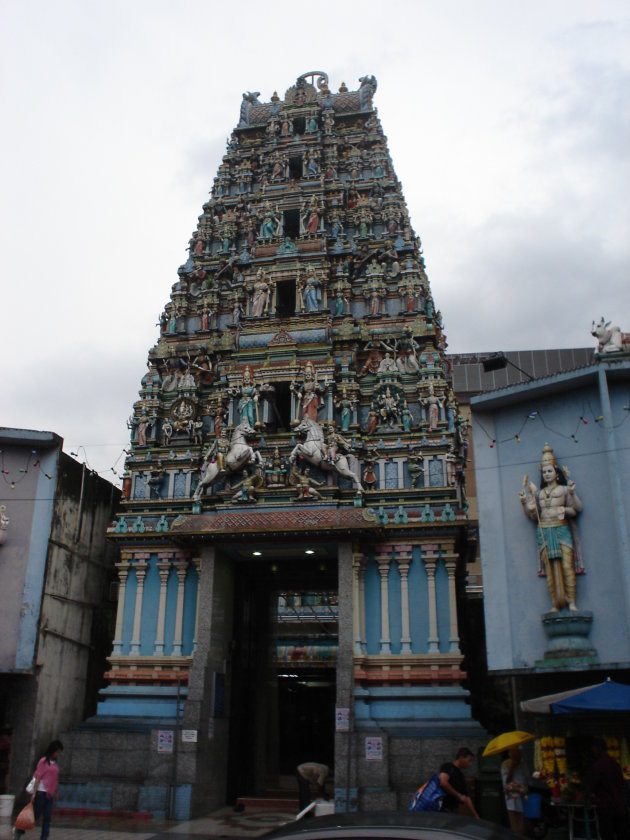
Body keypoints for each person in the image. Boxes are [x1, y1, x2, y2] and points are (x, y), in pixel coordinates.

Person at [520, 443, 583, 611]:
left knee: (567, 566)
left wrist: (570, 496)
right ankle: (556, 603)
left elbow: (577, 509)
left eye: (550, 471)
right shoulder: (539, 493)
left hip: (561, 529)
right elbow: (535, 516)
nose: (547, 475)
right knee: (549, 569)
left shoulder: (563, 489)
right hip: (545, 531)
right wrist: (525, 503)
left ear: (556, 472)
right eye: (544, 472)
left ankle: (571, 602)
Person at [14, 740, 63, 840]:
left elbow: (55, 778)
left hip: (49, 794)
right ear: (52, 750)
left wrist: (56, 791)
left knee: (47, 817)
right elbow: (38, 777)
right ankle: (19, 830)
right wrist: (34, 793)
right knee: (35, 815)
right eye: (57, 752)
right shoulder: (43, 761)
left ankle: (44, 837)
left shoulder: (55, 764)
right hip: (41, 792)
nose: (58, 754)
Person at [586, 738, 629, 840]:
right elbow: (622, 784)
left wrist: (589, 795)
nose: (592, 751)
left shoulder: (598, 766)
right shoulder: (615, 764)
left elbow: (591, 786)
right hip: (620, 807)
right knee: (623, 835)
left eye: (594, 748)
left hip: (607, 808)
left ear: (598, 749)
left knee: (607, 835)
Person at [438, 746, 479, 818]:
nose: (470, 764)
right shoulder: (448, 767)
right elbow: (443, 782)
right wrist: (458, 795)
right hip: (442, 809)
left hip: (453, 810)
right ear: (461, 757)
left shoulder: (461, 776)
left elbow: (467, 798)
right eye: (469, 760)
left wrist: (476, 816)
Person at [501, 747, 527, 836]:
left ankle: (520, 835)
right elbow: (507, 782)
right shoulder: (506, 764)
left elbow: (524, 778)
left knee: (521, 816)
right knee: (513, 816)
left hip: (521, 792)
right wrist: (512, 767)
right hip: (511, 794)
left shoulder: (522, 763)